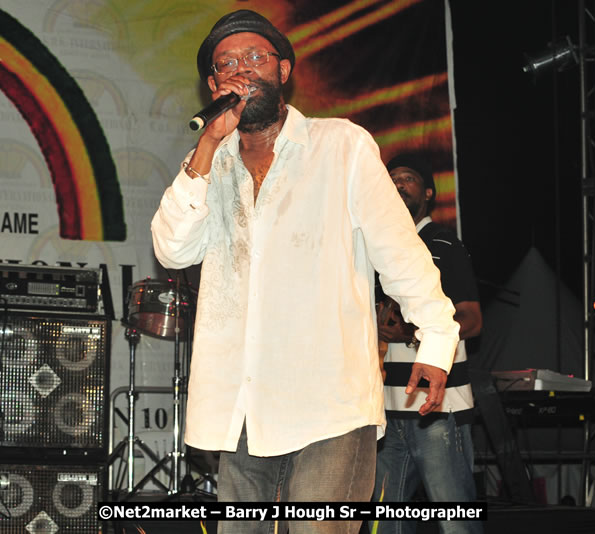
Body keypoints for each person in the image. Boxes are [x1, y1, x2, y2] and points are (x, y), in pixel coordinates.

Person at [151, 10, 459, 534]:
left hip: (329, 401)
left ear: (283, 70)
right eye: (226, 64)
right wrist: (206, 147)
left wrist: (436, 337)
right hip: (242, 406)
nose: (242, 69)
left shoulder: (341, 146)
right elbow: (172, 249)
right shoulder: (209, 166)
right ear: (213, 85)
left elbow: (399, 249)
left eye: (255, 56)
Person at [373, 154, 482, 534]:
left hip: (438, 408)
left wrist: (411, 333)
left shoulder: (443, 243)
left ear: (429, 193)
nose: (398, 184)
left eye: (408, 178)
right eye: (392, 178)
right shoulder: (376, 247)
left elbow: (472, 319)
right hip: (384, 410)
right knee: (384, 525)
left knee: (456, 522)